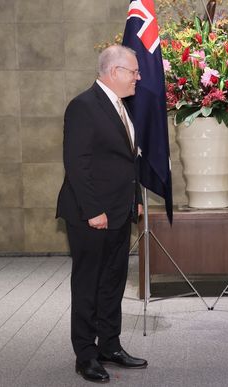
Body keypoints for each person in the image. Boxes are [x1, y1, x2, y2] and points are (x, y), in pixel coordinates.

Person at [56, 44, 147, 383]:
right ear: (114, 72)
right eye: (134, 72)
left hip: (120, 211)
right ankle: (86, 354)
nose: (138, 77)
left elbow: (127, 160)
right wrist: (94, 210)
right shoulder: (83, 106)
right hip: (90, 215)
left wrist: (134, 197)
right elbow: (76, 164)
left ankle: (110, 345)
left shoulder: (121, 107)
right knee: (88, 284)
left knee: (112, 282)